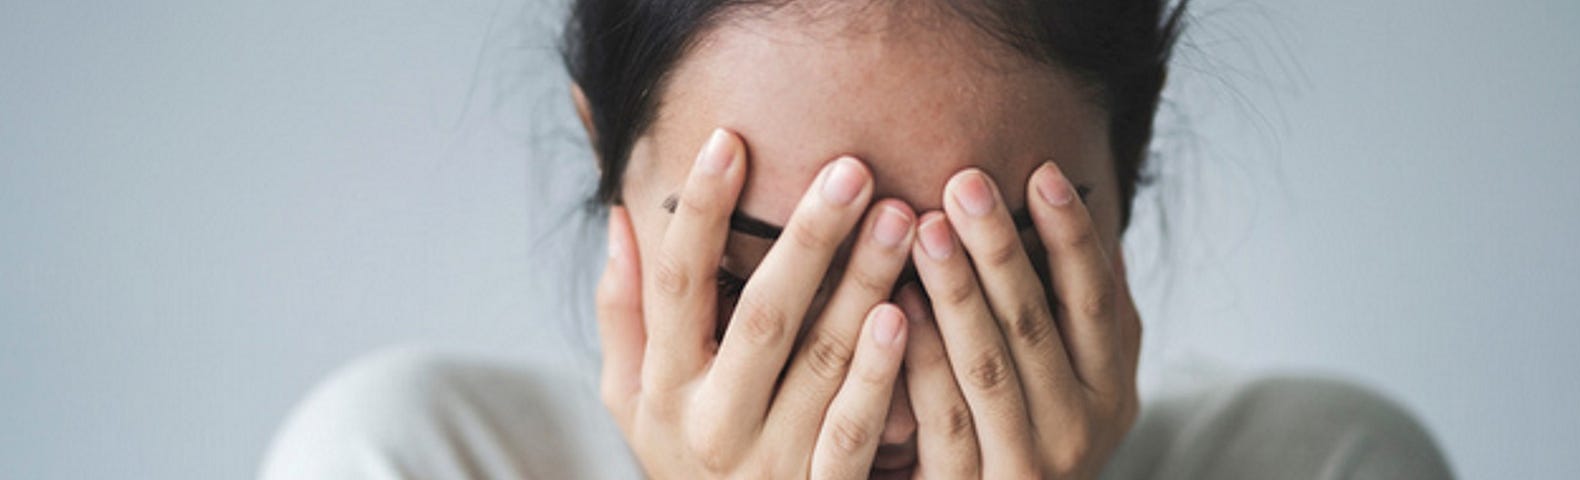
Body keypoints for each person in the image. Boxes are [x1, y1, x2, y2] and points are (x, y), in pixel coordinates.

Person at [260, 0, 1453, 478]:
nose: (881, 410)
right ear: (603, 163)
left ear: (1123, 180)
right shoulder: (408, 460)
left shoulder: (1322, 466)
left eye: (990, 278)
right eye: (766, 276)